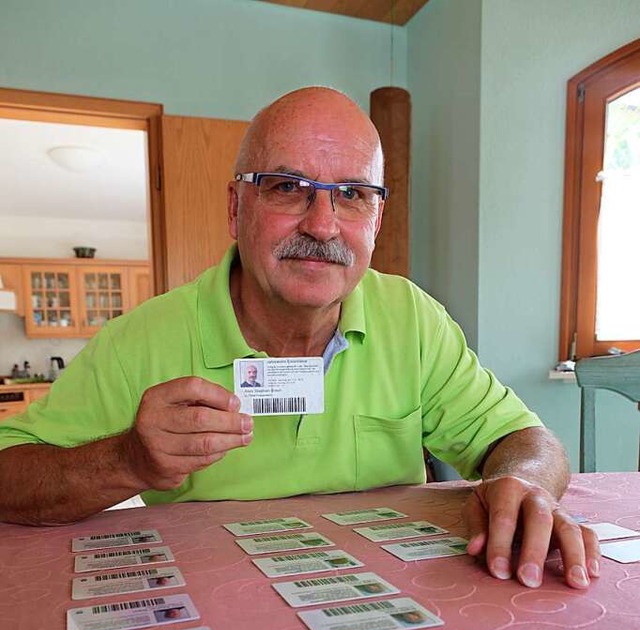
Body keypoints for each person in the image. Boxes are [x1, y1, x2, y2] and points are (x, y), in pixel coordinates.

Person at [0, 87, 599, 591]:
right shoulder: (140, 339)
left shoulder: (412, 318)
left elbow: (525, 440)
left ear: (376, 220)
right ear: (238, 208)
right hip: (218, 609)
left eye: (352, 195)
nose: (321, 224)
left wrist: (522, 484)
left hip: (393, 602)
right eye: (288, 186)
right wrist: (126, 458)